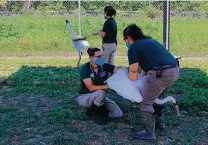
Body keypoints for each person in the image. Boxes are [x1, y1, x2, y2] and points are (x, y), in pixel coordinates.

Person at [123, 24, 179, 140]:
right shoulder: (150, 41)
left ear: (129, 37)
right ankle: (160, 125)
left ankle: (149, 133)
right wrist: (143, 77)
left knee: (145, 102)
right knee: (156, 98)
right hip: (173, 71)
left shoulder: (134, 47)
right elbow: (149, 61)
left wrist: (130, 81)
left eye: (125, 39)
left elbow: (133, 72)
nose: (126, 42)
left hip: (160, 73)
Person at [76, 47, 123, 125]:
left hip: (100, 96)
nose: (101, 58)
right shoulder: (85, 68)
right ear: (91, 57)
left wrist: (127, 71)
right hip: (85, 97)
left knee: (118, 114)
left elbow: (116, 69)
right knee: (101, 92)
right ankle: (98, 115)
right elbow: (91, 88)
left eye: (101, 56)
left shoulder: (102, 65)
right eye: (98, 57)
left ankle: (96, 111)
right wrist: (109, 86)